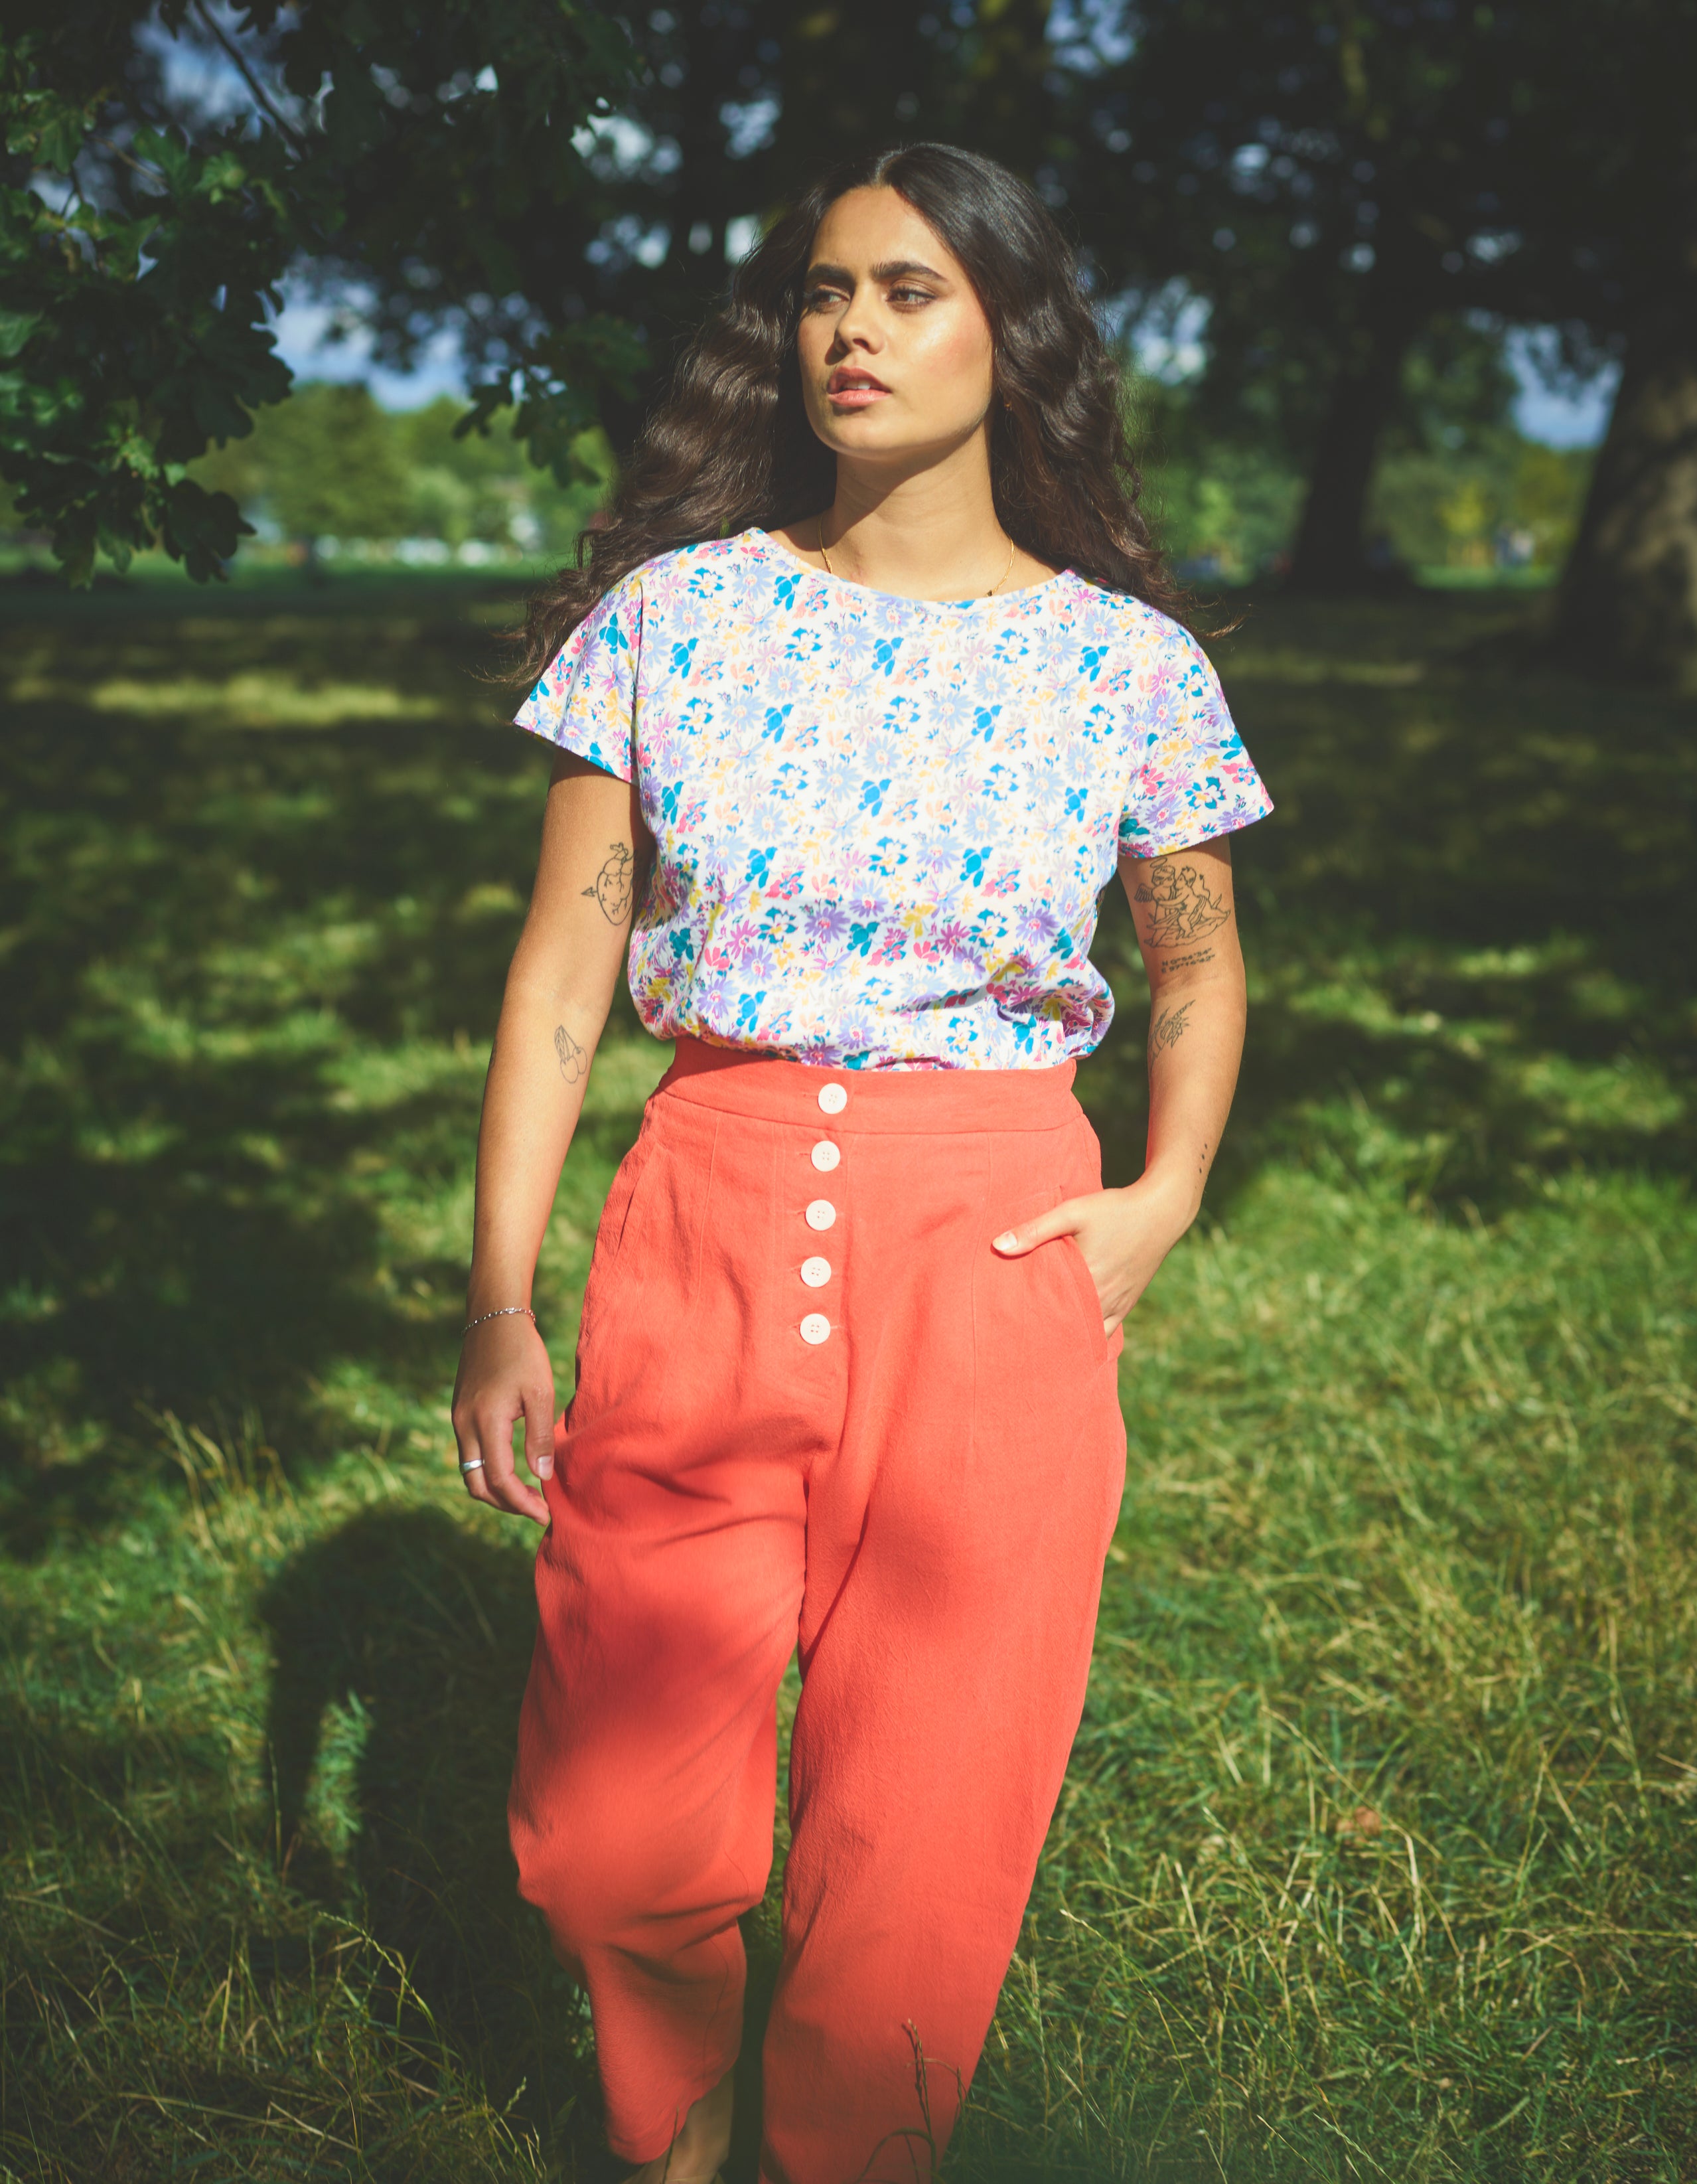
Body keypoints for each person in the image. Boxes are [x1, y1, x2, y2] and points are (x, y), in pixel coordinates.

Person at [451, 142, 1271, 2184]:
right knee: (609, 1829)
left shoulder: (1128, 665)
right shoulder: (672, 622)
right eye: (827, 289)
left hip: (991, 1246)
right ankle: (677, 2105)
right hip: (703, 1225)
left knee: (929, 1821)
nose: (853, 330)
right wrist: (499, 1293)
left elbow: (1196, 963)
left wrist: (1165, 1191)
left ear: (1013, 334)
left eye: (911, 291)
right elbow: (560, 973)